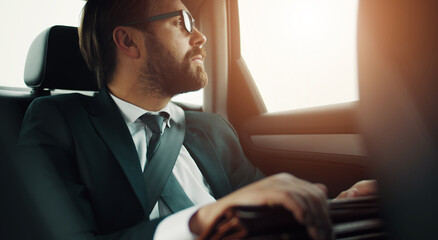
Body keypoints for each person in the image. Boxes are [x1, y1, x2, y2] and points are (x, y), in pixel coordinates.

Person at [15, 0, 377, 239]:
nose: (201, 37)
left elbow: (266, 202)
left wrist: (336, 205)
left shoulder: (213, 129)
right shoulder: (56, 121)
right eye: (182, 22)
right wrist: (199, 222)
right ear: (128, 41)